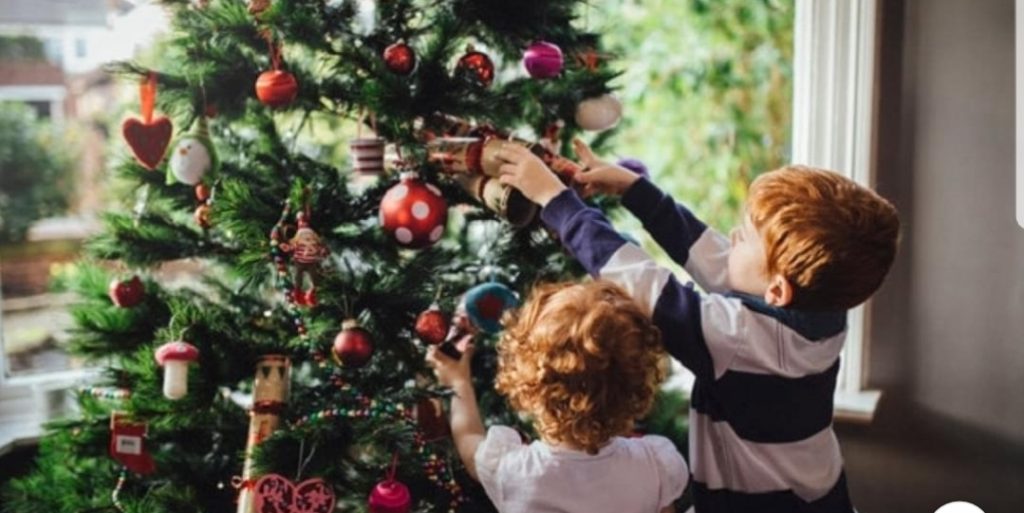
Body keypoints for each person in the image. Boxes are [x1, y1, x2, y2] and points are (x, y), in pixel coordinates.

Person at [492, 139, 900, 513]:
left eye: (746, 236)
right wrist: (636, 191)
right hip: (820, 496)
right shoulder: (820, 311)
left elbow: (640, 281)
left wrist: (553, 199)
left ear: (776, 290)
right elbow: (715, 257)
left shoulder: (740, 341)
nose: (733, 235)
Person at [426, 280, 688, 513]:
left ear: (528, 388)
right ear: (636, 387)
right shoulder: (654, 465)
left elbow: (469, 440)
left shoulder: (516, 471)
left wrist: (459, 381)